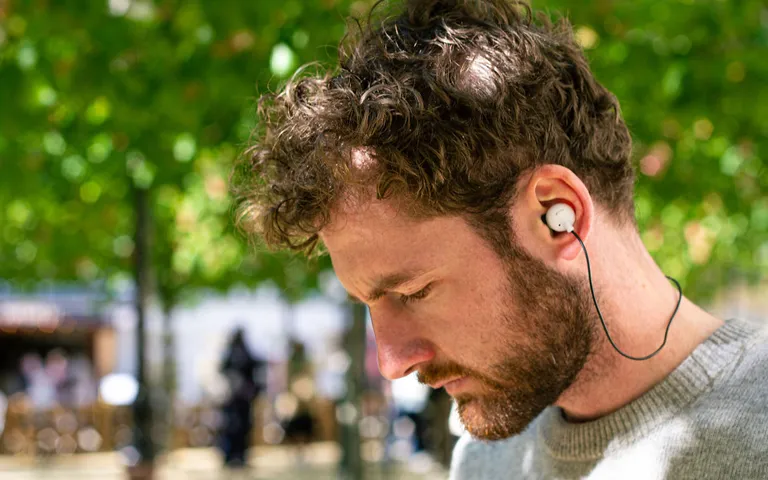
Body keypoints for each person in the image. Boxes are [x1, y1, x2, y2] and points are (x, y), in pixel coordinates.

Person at [231, 0, 768, 478]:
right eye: (369, 303)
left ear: (558, 214)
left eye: (413, 291)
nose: (392, 363)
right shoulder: (487, 455)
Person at [217, 327, 265, 468]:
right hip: (235, 399)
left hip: (241, 399)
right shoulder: (234, 353)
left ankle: (238, 456)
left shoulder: (237, 353)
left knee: (241, 427)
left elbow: (256, 366)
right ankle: (232, 456)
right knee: (233, 427)